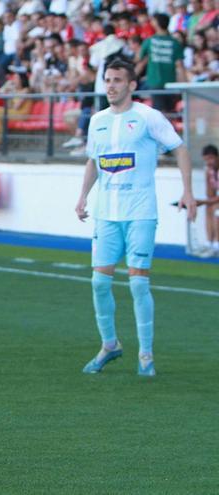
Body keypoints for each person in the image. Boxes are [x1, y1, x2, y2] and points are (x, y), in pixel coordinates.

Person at [75, 59, 196, 377]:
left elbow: (180, 149)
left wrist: (188, 191)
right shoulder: (97, 120)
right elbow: (93, 160)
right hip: (106, 215)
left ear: (131, 85)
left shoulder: (147, 117)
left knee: (138, 284)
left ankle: (145, 354)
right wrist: (83, 196)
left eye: (117, 80)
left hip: (140, 213)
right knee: (99, 282)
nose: (110, 85)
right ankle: (110, 344)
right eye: (107, 79)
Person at [137, 13, 185, 114]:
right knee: (171, 114)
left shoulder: (149, 41)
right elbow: (180, 66)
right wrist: (183, 86)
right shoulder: (175, 43)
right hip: (171, 84)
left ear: (156, 23)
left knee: (159, 114)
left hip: (155, 83)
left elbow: (139, 59)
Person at [203, 144, 219, 254]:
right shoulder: (209, 170)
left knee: (217, 209)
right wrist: (208, 176)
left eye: (211, 158)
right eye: (206, 160)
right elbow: (209, 194)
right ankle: (209, 242)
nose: (209, 162)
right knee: (209, 208)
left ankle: (217, 243)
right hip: (216, 198)